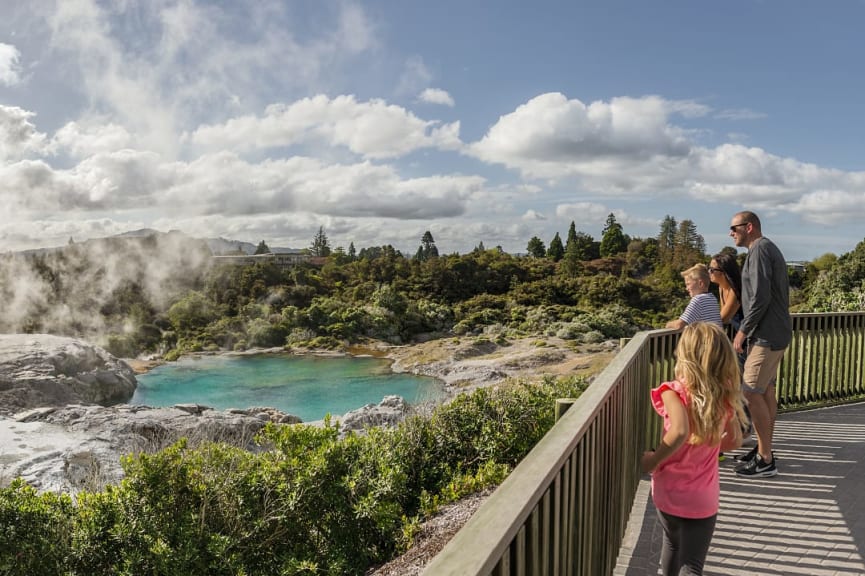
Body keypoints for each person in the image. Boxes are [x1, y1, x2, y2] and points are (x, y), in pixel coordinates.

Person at [641, 322, 747, 575]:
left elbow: (679, 431)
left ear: (685, 355)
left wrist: (653, 460)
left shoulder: (673, 392)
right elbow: (734, 441)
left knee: (671, 545)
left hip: (668, 490)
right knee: (692, 565)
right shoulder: (724, 396)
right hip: (703, 497)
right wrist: (710, 444)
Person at [729, 211, 792, 478]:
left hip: (766, 335)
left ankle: (766, 459)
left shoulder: (760, 250)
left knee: (751, 392)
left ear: (749, 227)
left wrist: (743, 331)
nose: (731, 232)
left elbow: (760, 297)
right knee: (765, 391)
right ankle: (764, 450)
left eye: (734, 227)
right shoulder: (765, 249)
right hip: (774, 332)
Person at [665, 263, 723, 330]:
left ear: (700, 283)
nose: (686, 288)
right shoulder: (712, 298)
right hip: (717, 339)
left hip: (706, 340)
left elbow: (679, 324)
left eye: (688, 284)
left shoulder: (698, 300)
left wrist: (668, 324)